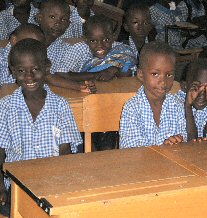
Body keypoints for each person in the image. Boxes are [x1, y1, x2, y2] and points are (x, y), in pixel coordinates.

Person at [0, 38, 83, 217]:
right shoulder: (6, 107)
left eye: (35, 69)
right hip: (17, 185)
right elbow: (0, 150)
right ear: (13, 71)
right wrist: (0, 184)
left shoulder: (60, 105)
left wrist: (60, 185)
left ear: (47, 68)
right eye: (21, 71)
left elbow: (65, 151)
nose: (29, 77)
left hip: (53, 183)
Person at [119, 41, 187, 149]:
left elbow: (185, 140)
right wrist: (163, 149)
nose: (163, 82)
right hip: (142, 165)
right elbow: (131, 151)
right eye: (155, 74)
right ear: (141, 74)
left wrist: (178, 142)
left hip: (171, 165)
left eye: (169, 75)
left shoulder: (177, 105)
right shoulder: (132, 108)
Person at [37, 0, 96, 92]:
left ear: (68, 24)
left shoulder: (66, 49)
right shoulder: (27, 42)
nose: (58, 23)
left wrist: (83, 85)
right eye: (52, 17)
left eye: (63, 19)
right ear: (39, 18)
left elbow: (55, 76)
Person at [56, 15, 137, 81]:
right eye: (93, 41)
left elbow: (132, 73)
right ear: (86, 40)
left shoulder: (121, 50)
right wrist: (96, 74)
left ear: (113, 37)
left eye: (106, 40)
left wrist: (114, 70)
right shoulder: (79, 49)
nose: (100, 45)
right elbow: (61, 73)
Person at [176, 58, 207, 141]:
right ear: (184, 86)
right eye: (196, 87)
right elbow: (191, 140)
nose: (202, 94)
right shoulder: (176, 103)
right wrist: (187, 106)